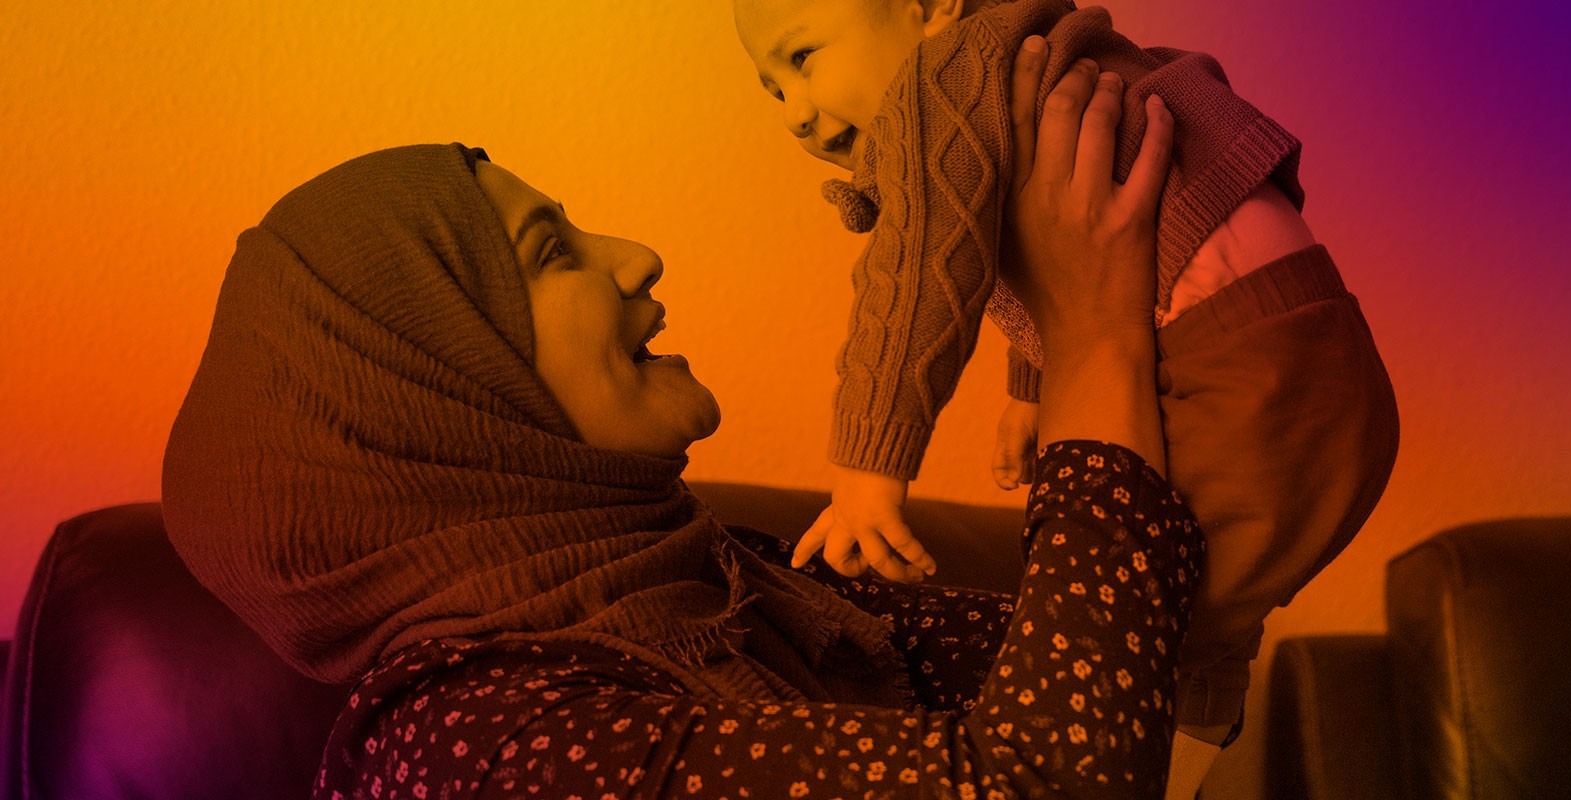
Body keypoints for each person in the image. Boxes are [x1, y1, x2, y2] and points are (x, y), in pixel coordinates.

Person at [162, 59, 1202, 799]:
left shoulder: (722, 588)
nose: (635, 252)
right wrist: (1090, 328)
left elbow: (1116, 659)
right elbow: (1053, 780)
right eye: (550, 252)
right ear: (437, 400)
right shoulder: (489, 746)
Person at [731, 0, 1401, 751]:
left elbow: (916, 270)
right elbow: (1051, 231)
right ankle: (1182, 768)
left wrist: (865, 470)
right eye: (771, 90)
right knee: (1191, 628)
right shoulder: (1039, 55)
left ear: (930, 9)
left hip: (1232, 377)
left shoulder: (936, 82)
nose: (792, 112)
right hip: (1312, 350)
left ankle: (1160, 773)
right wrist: (1033, 389)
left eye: (802, 58)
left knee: (1123, 639)